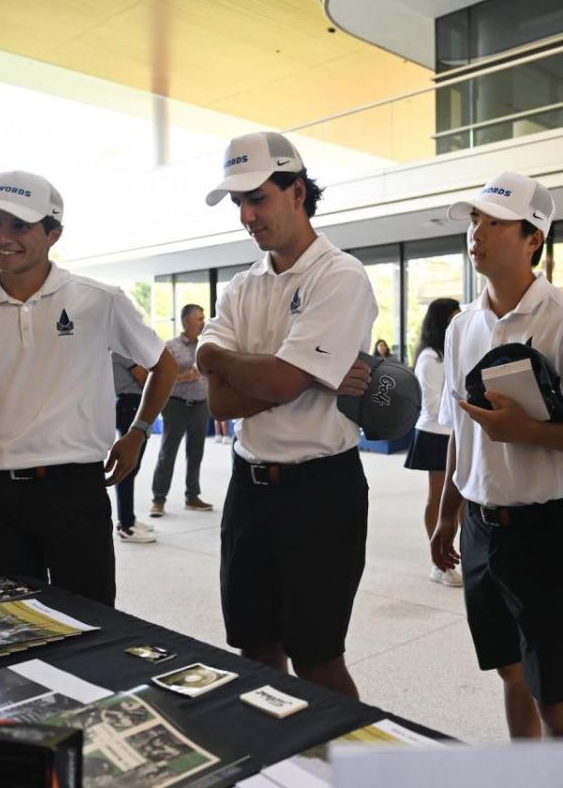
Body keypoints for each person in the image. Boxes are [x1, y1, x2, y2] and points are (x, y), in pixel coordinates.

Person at [0, 170, 178, 605]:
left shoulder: (99, 300)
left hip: (75, 494)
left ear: (53, 233)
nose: (2, 236)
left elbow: (163, 365)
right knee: (0, 632)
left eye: (19, 225)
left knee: (89, 630)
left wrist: (137, 432)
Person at [430, 172, 563, 739]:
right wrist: (449, 514)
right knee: (512, 675)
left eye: (493, 221)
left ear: (534, 236)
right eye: (473, 220)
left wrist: (528, 430)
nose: (476, 233)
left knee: (555, 692)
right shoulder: (462, 327)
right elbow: (458, 434)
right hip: (482, 530)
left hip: (548, 532)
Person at [196, 131, 377, 700]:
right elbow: (219, 402)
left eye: (258, 198)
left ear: (297, 191)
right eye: (239, 205)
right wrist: (272, 374)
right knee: (256, 652)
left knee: (318, 661)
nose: (247, 216)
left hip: (320, 491)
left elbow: (279, 380)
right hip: (248, 489)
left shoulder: (340, 276)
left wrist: (225, 358)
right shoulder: (242, 285)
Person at [403, 297, 463, 587]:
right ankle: (438, 564)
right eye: (454, 315)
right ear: (442, 320)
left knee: (459, 499)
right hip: (435, 434)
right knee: (439, 499)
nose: (459, 319)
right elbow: (432, 402)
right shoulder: (430, 356)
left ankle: (459, 556)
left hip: (454, 432)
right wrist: (460, 416)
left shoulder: (452, 349)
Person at [149, 304, 214, 519]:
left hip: (200, 405)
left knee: (196, 453)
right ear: (186, 321)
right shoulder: (171, 347)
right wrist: (183, 377)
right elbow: (158, 376)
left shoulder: (207, 345)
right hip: (176, 405)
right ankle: (158, 500)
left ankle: (192, 496)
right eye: (199, 318)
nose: (203, 321)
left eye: (204, 318)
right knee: (168, 453)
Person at [112, 352, 155, 543]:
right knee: (128, 468)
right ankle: (126, 526)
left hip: (133, 403)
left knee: (132, 467)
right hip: (130, 404)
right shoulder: (122, 350)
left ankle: (129, 519)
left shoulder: (127, 351)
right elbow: (146, 378)